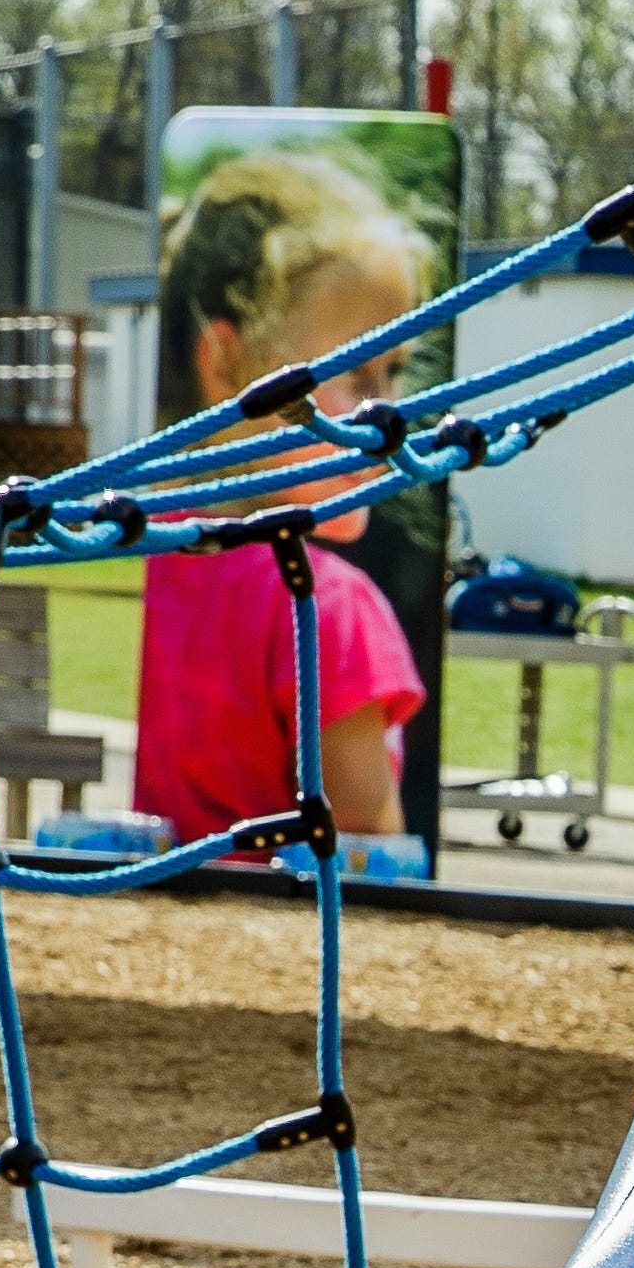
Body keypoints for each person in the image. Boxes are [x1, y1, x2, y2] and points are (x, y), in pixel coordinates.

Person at [133, 155, 435, 856]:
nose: (388, 416)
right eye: (354, 374)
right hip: (288, 923)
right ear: (224, 364)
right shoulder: (329, 607)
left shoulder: (160, 554)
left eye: (395, 372)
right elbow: (365, 854)